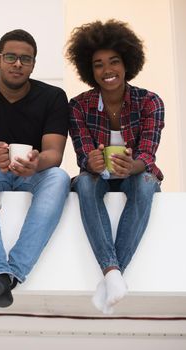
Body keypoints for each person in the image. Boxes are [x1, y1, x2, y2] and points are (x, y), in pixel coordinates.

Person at [0, 29, 70, 312]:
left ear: (33, 64)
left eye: (25, 59)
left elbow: (54, 154)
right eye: (11, 57)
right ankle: (0, 273)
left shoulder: (54, 97)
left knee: (59, 177)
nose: (17, 64)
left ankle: (6, 275)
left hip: (33, 174)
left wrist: (36, 164)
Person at [65, 20, 164, 314]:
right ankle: (113, 274)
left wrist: (132, 165)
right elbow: (83, 155)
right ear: (89, 70)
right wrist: (90, 162)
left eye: (114, 61)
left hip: (135, 175)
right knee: (83, 182)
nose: (107, 70)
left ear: (127, 63)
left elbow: (148, 155)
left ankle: (109, 276)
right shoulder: (78, 106)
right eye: (98, 64)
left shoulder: (150, 102)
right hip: (99, 178)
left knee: (146, 182)